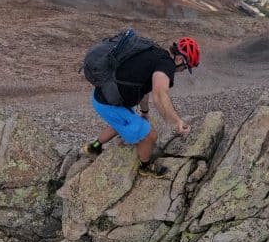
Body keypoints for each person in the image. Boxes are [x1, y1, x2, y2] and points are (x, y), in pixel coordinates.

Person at [83, 36, 201, 177]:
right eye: (185, 68)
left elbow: (144, 92)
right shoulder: (166, 65)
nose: (181, 71)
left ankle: (93, 148)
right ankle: (145, 167)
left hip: (103, 94)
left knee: (119, 123)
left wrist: (145, 112)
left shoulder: (155, 52)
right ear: (180, 59)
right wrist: (177, 121)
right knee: (150, 135)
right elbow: (159, 93)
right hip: (109, 104)